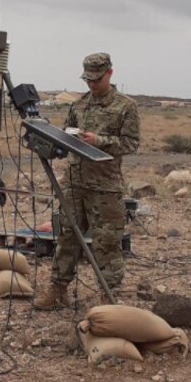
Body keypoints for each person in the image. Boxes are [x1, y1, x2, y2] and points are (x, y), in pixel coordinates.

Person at [33, 52, 140, 309]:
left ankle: (109, 298)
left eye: (97, 79)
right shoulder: (78, 105)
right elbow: (67, 135)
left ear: (109, 74)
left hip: (104, 186)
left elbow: (131, 143)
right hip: (74, 184)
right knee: (67, 238)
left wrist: (98, 141)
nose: (92, 84)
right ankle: (58, 291)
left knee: (107, 243)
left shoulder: (125, 106)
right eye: (88, 80)